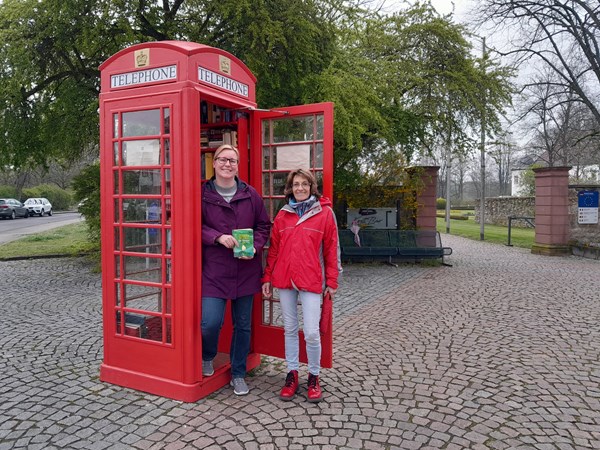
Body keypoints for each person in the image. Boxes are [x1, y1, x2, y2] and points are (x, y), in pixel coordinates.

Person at [261, 169, 341, 403]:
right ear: (290, 188)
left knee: (312, 332)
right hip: (285, 278)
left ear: (312, 187)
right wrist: (267, 277)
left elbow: (331, 249)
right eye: (296, 184)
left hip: (311, 279)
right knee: (289, 329)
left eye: (305, 184)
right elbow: (274, 250)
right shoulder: (283, 215)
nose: (300, 188)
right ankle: (292, 373)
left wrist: (333, 281)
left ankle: (314, 376)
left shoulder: (324, 213)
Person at [201, 144, 271, 396]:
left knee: (243, 325)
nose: (227, 164)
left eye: (232, 160)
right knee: (209, 322)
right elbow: (191, 225)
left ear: (238, 165)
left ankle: (239, 373)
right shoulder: (202, 194)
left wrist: (256, 245)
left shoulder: (250, 194)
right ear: (214, 163)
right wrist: (216, 236)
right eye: (223, 159)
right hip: (214, 270)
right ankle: (207, 355)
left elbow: (264, 225)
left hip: (246, 269)